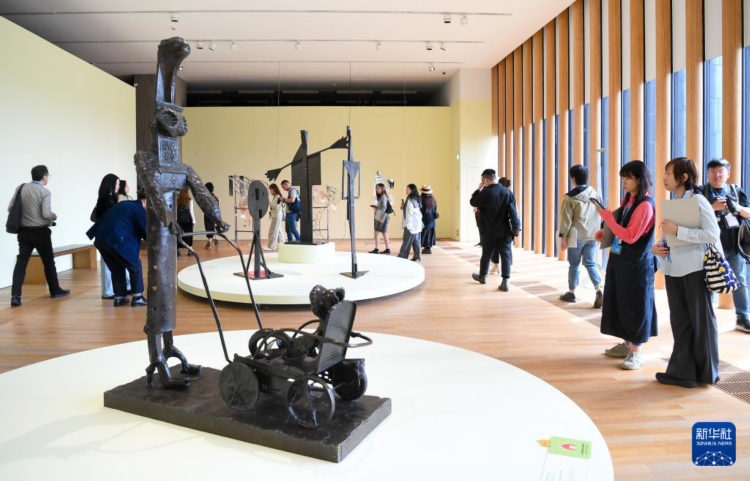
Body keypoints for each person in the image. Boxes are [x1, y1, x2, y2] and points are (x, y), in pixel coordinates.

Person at [652, 157, 721, 388]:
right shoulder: (675, 202)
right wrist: (658, 247)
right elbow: (670, 237)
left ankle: (707, 373)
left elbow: (712, 234)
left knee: (701, 322)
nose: (664, 178)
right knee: (681, 323)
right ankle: (684, 373)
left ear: (683, 177)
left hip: (695, 270)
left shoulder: (698, 200)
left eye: (668, 173)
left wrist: (678, 230)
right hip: (674, 271)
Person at [594, 160, 657, 370]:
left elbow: (630, 236)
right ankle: (627, 344)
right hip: (623, 261)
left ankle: (636, 352)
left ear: (640, 179)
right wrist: (605, 232)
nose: (624, 181)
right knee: (623, 303)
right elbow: (622, 227)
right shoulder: (630, 200)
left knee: (636, 306)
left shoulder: (645, 205)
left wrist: (607, 218)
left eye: (628, 178)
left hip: (637, 265)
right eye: (623, 177)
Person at [698, 158, 750, 333]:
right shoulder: (701, 192)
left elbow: (748, 212)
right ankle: (707, 317)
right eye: (713, 172)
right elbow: (693, 216)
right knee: (708, 281)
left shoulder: (735, 190)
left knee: (740, 281)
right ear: (707, 174)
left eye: (721, 171)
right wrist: (712, 207)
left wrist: (737, 208)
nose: (717, 175)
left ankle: (743, 317)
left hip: (734, 245)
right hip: (709, 247)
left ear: (728, 173)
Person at [8, 165, 70, 307]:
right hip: (40, 232)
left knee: (21, 262)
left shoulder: (21, 188)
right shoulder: (45, 192)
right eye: (48, 176)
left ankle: (15, 296)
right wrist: (54, 216)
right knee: (48, 261)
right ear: (44, 177)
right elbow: (46, 214)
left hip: (23, 232)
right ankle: (55, 290)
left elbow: (10, 207)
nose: (48, 178)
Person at [86, 190, 148, 307]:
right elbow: (146, 233)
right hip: (113, 239)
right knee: (135, 264)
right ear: (145, 200)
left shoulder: (126, 204)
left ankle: (120, 298)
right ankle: (138, 297)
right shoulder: (138, 209)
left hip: (100, 239)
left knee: (117, 268)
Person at [558, 165, 604, 307]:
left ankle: (571, 292)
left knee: (574, 264)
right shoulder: (594, 193)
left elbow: (566, 219)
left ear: (573, 179)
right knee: (590, 263)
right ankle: (599, 290)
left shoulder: (569, 197)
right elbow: (601, 212)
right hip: (593, 235)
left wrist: (563, 237)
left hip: (576, 236)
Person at [470, 169, 520, 292]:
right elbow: (513, 212)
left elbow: (473, 202)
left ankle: (482, 276)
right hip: (505, 231)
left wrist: (478, 189)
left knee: (486, 254)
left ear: (486, 179)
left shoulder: (485, 193)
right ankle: (505, 282)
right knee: (505, 255)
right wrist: (516, 228)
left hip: (489, 230)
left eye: (483, 179)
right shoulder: (507, 192)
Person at [93, 173, 129, 299]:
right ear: (111, 184)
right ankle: (107, 291)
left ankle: (117, 289)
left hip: (110, 236)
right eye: (117, 184)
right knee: (107, 265)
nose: (119, 186)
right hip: (106, 237)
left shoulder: (111, 198)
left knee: (114, 264)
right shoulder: (104, 200)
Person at [398, 184, 423, 261]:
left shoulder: (409, 200)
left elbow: (409, 214)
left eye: (408, 189)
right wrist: (403, 207)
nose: (406, 190)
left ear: (412, 190)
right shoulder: (416, 199)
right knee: (416, 241)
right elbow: (415, 211)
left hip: (410, 225)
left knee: (406, 241)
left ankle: (402, 257)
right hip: (417, 224)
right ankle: (417, 256)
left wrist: (409, 225)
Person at [369, 182, 391, 254]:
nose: (377, 189)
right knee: (384, 232)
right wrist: (376, 207)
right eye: (376, 188)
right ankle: (387, 249)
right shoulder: (383, 196)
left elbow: (384, 207)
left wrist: (379, 215)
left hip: (381, 215)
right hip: (384, 215)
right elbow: (383, 206)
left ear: (382, 188)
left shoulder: (383, 196)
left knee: (377, 232)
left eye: (378, 188)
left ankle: (377, 249)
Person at [266, 183, 286, 251]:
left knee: (272, 231)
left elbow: (275, 206)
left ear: (274, 189)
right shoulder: (276, 196)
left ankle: (271, 246)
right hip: (276, 215)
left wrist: (268, 201)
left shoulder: (278, 196)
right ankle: (283, 245)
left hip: (277, 215)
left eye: (271, 189)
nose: (270, 191)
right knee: (279, 231)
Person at [176, 188, 195, 256]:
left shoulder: (178, 200)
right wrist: (194, 220)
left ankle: (177, 250)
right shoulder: (189, 200)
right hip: (187, 221)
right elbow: (191, 211)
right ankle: (190, 250)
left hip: (179, 221)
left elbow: (176, 211)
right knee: (189, 235)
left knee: (179, 235)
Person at [420, 185, 439, 254]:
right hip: (431, 221)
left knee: (422, 235)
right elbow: (435, 209)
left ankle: (419, 249)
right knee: (430, 235)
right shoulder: (433, 200)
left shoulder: (421, 200)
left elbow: (420, 211)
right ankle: (428, 249)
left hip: (423, 221)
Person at [203, 182, 221, 250]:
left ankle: (214, 242)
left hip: (208, 215)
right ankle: (209, 243)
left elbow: (205, 206)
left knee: (209, 228)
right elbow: (217, 207)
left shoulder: (207, 197)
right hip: (214, 215)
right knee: (210, 228)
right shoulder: (215, 197)